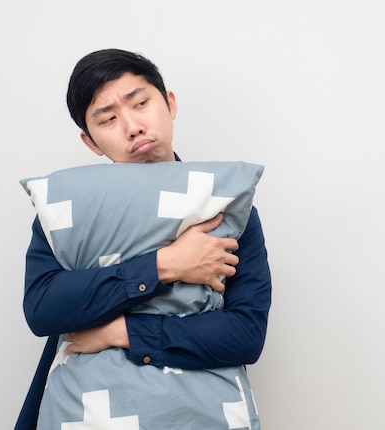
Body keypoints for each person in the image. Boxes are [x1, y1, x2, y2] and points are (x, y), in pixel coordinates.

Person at [16, 49, 272, 429]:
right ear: (91, 142)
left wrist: (122, 333)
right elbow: (43, 309)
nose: (133, 126)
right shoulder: (69, 215)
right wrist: (165, 265)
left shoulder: (227, 208)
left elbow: (245, 335)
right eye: (109, 119)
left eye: (140, 103)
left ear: (169, 103)